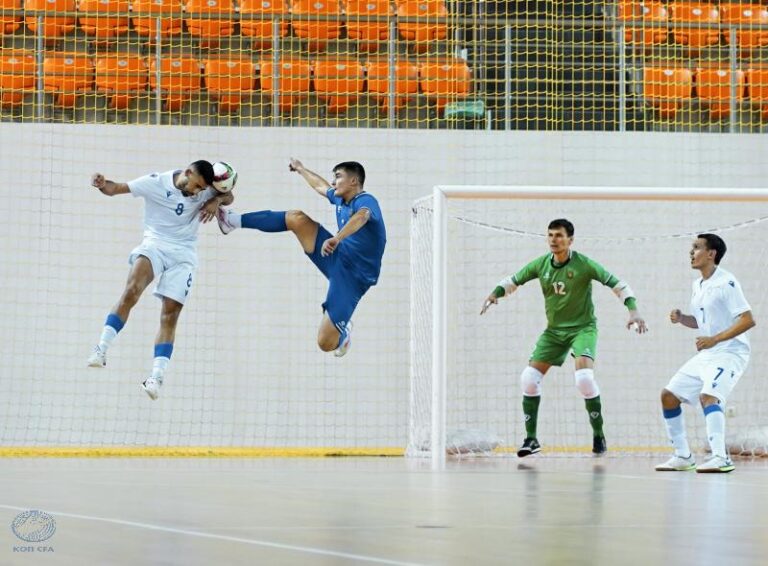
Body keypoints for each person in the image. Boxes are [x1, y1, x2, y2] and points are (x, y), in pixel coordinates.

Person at [481, 218, 647, 457]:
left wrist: (633, 311)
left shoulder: (585, 264)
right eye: (550, 235)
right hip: (554, 332)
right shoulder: (541, 264)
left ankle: (598, 435)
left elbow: (619, 285)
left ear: (570, 240)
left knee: (584, 379)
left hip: (583, 329)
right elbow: (513, 280)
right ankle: (531, 439)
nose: (553, 240)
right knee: (528, 378)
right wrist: (495, 293)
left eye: (559, 236)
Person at [87, 161, 234, 399]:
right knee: (132, 290)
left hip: (184, 254)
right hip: (155, 244)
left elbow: (229, 196)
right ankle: (101, 348)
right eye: (196, 186)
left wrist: (216, 200)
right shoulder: (155, 183)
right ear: (187, 173)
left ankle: (156, 377)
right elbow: (116, 188)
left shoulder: (206, 188)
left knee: (170, 315)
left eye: (202, 190)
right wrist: (102, 184)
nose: (197, 193)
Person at [216, 158, 386, 357]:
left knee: (324, 342)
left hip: (353, 278)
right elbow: (320, 186)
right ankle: (232, 221)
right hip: (336, 255)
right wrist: (301, 169)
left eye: (338, 177)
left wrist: (337, 238)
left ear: (354, 181)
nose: (333, 182)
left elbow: (361, 217)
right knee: (297, 218)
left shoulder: (366, 200)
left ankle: (343, 335)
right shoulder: (341, 199)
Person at [656, 234, 755, 473]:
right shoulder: (697, 285)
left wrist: (715, 339)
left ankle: (721, 458)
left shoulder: (727, 282)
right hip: (709, 353)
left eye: (696, 248)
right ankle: (682, 456)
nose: (691, 252)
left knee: (708, 396)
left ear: (711, 254)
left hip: (731, 351)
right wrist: (682, 319)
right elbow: (702, 323)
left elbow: (748, 320)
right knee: (668, 396)